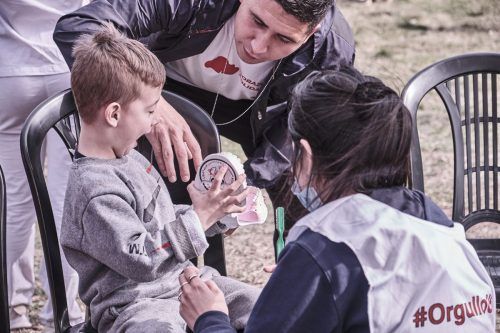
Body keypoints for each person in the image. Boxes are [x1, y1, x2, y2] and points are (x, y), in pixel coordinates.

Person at [177, 67, 496, 332]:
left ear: (307, 155)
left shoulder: (323, 245)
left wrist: (210, 318)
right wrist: (308, 282)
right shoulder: (431, 216)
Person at [53, 0, 356, 240]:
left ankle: (297, 293)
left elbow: (305, 126)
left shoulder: (333, 47)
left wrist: (244, 184)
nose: (258, 46)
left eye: (284, 38)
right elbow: (79, 27)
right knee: (150, 196)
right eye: (257, 21)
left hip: (259, 113)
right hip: (164, 87)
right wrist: (151, 105)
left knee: (305, 193)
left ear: (313, 29)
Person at [60, 24, 260, 333]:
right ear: (114, 114)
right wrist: (198, 217)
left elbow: (158, 225)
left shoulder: (128, 158)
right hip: (134, 305)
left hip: (185, 282)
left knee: (262, 304)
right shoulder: (95, 191)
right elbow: (140, 259)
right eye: (151, 111)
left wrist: (214, 213)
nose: (155, 120)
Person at [0, 1, 87, 329]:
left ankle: (10, 307)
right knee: (65, 199)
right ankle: (63, 312)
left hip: (8, 69)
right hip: (68, 64)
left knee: (13, 204)